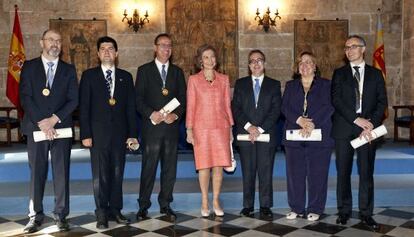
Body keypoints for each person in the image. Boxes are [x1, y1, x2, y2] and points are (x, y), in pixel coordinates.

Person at [19, 29, 78, 233]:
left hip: (61, 128)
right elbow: (25, 97)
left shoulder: (69, 70)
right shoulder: (29, 67)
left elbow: (73, 99)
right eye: (51, 40)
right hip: (36, 128)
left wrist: (53, 119)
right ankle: (35, 216)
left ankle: (61, 215)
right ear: (42, 42)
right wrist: (42, 122)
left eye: (59, 41)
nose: (55, 44)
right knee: (37, 173)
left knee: (61, 173)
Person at [79, 36, 139, 229]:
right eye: (103, 48)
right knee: (100, 175)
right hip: (97, 135)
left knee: (117, 173)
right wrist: (85, 134)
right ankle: (101, 213)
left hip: (120, 135)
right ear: (97, 54)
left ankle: (116, 210)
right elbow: (84, 107)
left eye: (110, 48)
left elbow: (131, 108)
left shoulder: (126, 77)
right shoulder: (89, 76)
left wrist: (132, 134)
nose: (107, 51)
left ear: (117, 53)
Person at [332, 35, 387, 230]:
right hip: (344, 128)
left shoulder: (375, 74)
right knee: (343, 174)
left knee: (366, 173)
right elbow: (336, 100)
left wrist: (370, 123)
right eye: (346, 47)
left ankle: (366, 213)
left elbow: (382, 102)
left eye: (353, 46)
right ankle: (344, 211)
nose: (349, 50)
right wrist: (357, 120)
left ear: (363, 49)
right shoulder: (339, 73)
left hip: (368, 131)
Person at [135, 33, 186, 219]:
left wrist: (175, 115)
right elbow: (138, 99)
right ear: (155, 48)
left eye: (169, 45)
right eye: (162, 45)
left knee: (169, 169)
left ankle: (165, 204)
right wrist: (151, 113)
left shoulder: (177, 72)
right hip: (152, 127)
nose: (166, 48)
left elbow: (183, 99)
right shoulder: (144, 70)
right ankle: (143, 205)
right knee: (148, 168)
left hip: (171, 129)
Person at [281, 52, 334, 221]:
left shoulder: (326, 85)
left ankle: (315, 208)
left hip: (319, 135)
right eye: (301, 63)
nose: (305, 65)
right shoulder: (290, 85)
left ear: (315, 66)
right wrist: (299, 120)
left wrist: (312, 123)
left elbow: (329, 106)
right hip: (294, 136)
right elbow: (284, 107)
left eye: (309, 62)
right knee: (294, 174)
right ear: (297, 67)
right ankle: (296, 207)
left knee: (317, 174)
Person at [232, 49, 281, 218]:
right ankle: (248, 205)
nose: (256, 63)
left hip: (266, 135)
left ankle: (265, 205)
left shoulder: (274, 84)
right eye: (252, 61)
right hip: (246, 135)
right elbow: (235, 108)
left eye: (259, 60)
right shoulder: (240, 83)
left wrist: (259, 129)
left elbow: (276, 110)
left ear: (264, 63)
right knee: (248, 172)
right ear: (248, 65)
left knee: (266, 171)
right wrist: (249, 127)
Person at [186, 44, 234, 217]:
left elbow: (227, 105)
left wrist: (230, 128)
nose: (210, 60)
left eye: (212, 56)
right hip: (201, 128)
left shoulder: (224, 79)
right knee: (204, 166)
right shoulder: (193, 80)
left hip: (221, 127)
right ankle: (205, 200)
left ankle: (216, 200)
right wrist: (189, 129)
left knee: (219, 167)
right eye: (206, 57)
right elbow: (191, 106)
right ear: (200, 60)